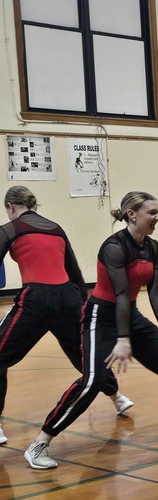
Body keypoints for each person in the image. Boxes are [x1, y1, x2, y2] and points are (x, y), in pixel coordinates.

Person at [23, 191, 158, 470]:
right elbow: (121, 294)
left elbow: (156, 291)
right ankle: (40, 442)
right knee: (93, 381)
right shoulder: (114, 247)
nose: (157, 217)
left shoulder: (153, 247)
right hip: (100, 316)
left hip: (129, 315)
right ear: (132, 215)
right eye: (152, 212)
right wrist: (123, 340)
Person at [0, 186, 134, 445]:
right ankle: (118, 398)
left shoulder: (9, 228)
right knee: (85, 357)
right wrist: (84, 305)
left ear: (11, 207)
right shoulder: (56, 228)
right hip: (70, 298)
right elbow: (73, 271)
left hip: (36, 299)